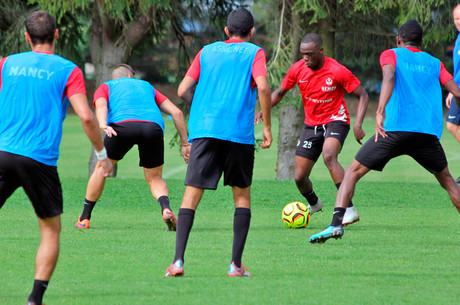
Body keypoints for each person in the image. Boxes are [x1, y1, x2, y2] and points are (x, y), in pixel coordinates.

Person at [309, 19, 460, 244]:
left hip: (394, 130)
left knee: (352, 172)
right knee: (449, 182)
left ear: (398, 40)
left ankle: (336, 224)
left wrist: (379, 111)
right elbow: (457, 91)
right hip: (426, 134)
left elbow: (389, 77)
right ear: (421, 42)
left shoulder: (391, 54)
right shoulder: (434, 62)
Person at [0, 11, 112, 305]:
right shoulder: (68, 70)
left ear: (26, 37)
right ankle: (34, 300)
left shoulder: (6, 64)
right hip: (40, 161)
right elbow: (87, 116)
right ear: (57, 35)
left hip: (3, 153)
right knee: (50, 230)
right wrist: (102, 156)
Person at [164, 8, 272, 277]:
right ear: (252, 32)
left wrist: (204, 107)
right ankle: (235, 265)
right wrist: (267, 126)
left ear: (226, 30)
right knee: (241, 197)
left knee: (191, 195)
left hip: (205, 130)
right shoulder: (255, 52)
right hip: (238, 133)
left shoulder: (206, 51)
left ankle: (178, 262)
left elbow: (181, 90)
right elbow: (264, 87)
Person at [256, 33, 369, 225]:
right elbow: (280, 92)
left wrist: (358, 124)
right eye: (302, 54)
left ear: (320, 51)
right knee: (299, 176)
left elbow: (363, 95)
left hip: (336, 120)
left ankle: (348, 209)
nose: (305, 58)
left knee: (329, 156)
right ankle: (314, 204)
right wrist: (263, 110)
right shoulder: (298, 69)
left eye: (309, 54)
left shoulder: (337, 70)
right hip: (312, 125)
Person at [75, 64, 190, 231]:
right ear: (130, 76)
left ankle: (84, 218)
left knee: (101, 169)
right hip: (153, 128)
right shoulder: (147, 86)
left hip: (121, 127)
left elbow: (101, 106)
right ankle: (166, 209)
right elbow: (177, 113)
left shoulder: (106, 86)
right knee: (155, 178)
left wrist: (103, 124)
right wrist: (185, 144)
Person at [445, 4, 460, 184]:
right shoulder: (458, 38)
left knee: (451, 124)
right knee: (452, 125)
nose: (458, 22)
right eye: (456, 18)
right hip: (458, 88)